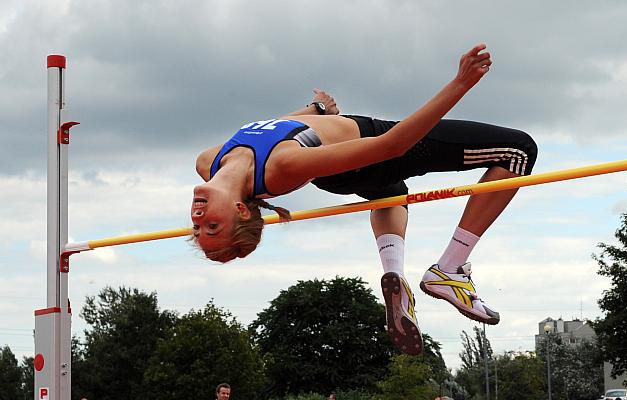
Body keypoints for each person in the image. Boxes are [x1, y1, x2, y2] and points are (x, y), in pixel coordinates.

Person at [190, 44, 537, 357]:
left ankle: (394, 273)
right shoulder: (282, 166)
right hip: (378, 146)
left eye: (198, 225)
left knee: (390, 192)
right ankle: (449, 269)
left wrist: (316, 108)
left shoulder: (209, 161)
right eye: (213, 226)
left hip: (341, 170)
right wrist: (459, 85)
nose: (199, 215)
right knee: (518, 151)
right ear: (239, 209)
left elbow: (277, 127)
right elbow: (392, 146)